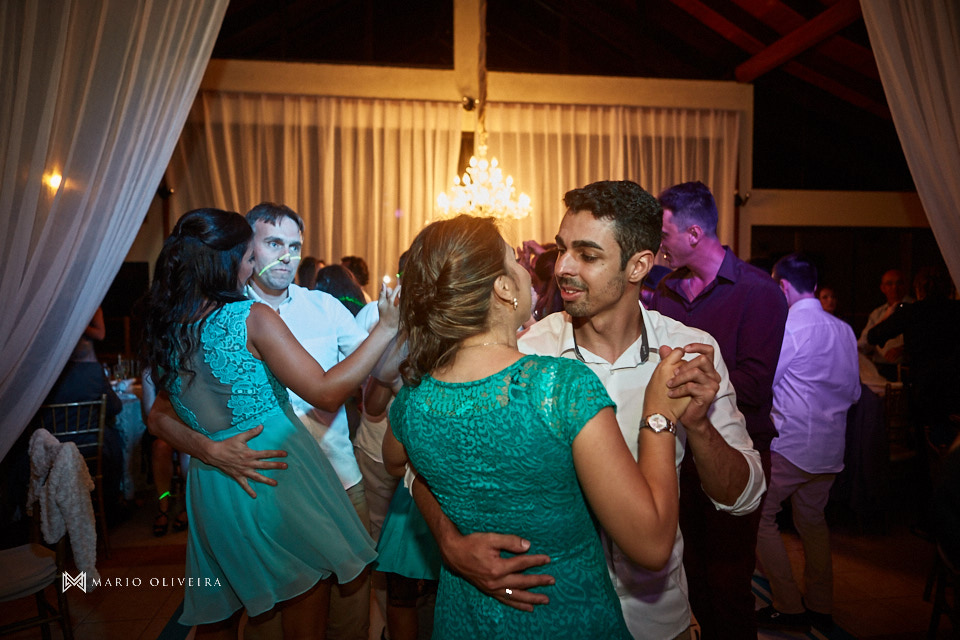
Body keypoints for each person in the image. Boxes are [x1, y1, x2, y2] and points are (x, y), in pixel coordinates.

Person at [408, 181, 764, 640]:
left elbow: (744, 496)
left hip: (658, 619)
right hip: (553, 617)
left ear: (639, 265)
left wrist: (699, 428)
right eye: (562, 250)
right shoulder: (524, 353)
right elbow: (420, 466)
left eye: (588, 255)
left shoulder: (687, 352)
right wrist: (450, 541)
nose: (563, 268)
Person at [381, 213, 689, 639]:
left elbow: (397, 465)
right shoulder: (558, 388)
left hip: (464, 623)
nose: (528, 272)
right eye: (514, 262)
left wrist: (447, 535)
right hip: (567, 618)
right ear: (503, 289)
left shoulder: (414, 399)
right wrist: (659, 416)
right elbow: (652, 544)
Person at [140, 208, 399, 638]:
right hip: (277, 479)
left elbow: (158, 417)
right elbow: (326, 392)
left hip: (214, 487)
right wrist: (385, 327)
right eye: (248, 255)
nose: (253, 264)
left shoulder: (174, 326)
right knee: (305, 604)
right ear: (226, 261)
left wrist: (209, 450)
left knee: (219, 617)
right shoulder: (252, 317)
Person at [650, 180, 787, 639]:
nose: (659, 243)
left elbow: (753, 383)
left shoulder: (759, 292)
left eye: (664, 232)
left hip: (734, 449)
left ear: (692, 234)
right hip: (675, 454)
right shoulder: (666, 290)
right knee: (688, 577)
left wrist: (684, 384)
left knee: (728, 585)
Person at [755, 253, 861, 634]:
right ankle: (819, 605)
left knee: (759, 516)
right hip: (831, 447)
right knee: (813, 523)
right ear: (814, 285)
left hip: (793, 442)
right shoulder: (844, 330)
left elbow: (767, 382)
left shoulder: (790, 327)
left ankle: (787, 604)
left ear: (782, 286)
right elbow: (853, 392)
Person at [858, 269, 911, 381]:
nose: (894, 288)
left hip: (906, 369)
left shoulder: (914, 309)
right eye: (889, 284)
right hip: (881, 369)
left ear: (905, 285)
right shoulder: (877, 313)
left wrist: (903, 349)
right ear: (883, 288)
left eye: (899, 283)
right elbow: (866, 342)